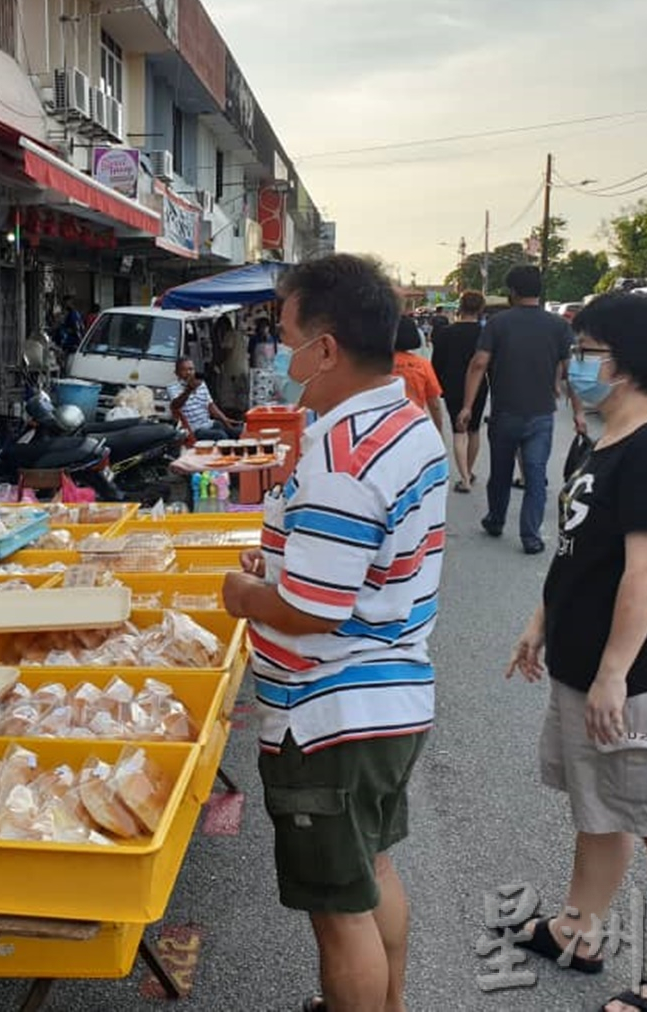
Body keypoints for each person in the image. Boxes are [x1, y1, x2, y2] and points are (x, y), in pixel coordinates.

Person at [222, 254, 447, 1012]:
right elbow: (353, 564)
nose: (279, 353)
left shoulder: (341, 457)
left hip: (329, 719)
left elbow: (315, 609)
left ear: (325, 348)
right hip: (393, 698)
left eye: (284, 335)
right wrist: (283, 556)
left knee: (337, 910)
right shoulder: (405, 422)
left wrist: (248, 592)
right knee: (373, 871)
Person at [507, 292, 647, 1012]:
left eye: (586, 350)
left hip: (632, 674)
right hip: (584, 663)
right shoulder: (600, 438)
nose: (575, 364)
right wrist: (540, 622)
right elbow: (578, 552)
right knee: (599, 809)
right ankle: (578, 930)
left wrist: (613, 676)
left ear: (625, 364)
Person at [460, 265, 585, 554]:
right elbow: (572, 374)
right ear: (539, 291)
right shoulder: (558, 326)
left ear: (512, 292)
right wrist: (578, 412)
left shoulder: (498, 323)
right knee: (535, 474)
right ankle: (531, 536)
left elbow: (479, 364)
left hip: (505, 413)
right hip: (541, 414)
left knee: (501, 472)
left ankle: (496, 519)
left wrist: (467, 406)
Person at [433, 291, 489, 493]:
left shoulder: (446, 333)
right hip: (479, 385)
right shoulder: (485, 334)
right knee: (474, 429)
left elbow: (436, 363)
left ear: (460, 307)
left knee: (459, 431)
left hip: (452, 385)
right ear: (481, 309)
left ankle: (464, 478)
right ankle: (469, 471)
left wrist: (438, 386)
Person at [392, 316, 449, 441]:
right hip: (414, 424)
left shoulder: (377, 365)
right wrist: (438, 430)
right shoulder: (422, 365)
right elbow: (434, 404)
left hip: (385, 426)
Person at [168, 356, 241, 441]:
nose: (188, 373)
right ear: (177, 372)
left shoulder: (201, 384)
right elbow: (175, 405)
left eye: (191, 369)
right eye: (184, 370)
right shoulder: (172, 387)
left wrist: (225, 419)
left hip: (208, 423)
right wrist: (189, 390)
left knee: (236, 432)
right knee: (221, 436)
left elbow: (210, 405)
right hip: (193, 429)